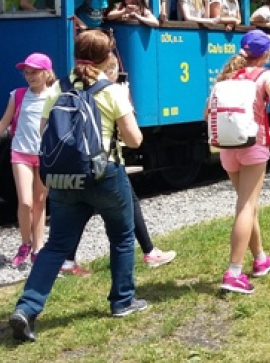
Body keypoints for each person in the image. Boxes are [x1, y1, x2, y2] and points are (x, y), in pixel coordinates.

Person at [9, 30, 147, 343]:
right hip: (105, 175)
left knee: (57, 245)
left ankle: (27, 308)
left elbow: (46, 134)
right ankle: (122, 301)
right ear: (106, 57)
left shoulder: (57, 88)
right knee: (122, 236)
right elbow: (134, 139)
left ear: (76, 55)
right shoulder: (111, 91)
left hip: (64, 180)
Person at [60, 54, 177, 276]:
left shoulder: (63, 88)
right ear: (111, 71)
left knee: (83, 209)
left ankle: (66, 261)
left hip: (72, 161)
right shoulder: (111, 91)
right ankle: (143, 263)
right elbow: (134, 140)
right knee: (123, 220)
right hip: (105, 162)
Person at [209, 30, 270, 294]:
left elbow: (207, 110)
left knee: (248, 205)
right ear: (265, 53)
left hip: (228, 147)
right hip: (253, 144)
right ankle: (233, 272)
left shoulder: (227, 75)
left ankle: (261, 259)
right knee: (245, 206)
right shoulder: (265, 76)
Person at [0, 53, 56, 267]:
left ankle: (38, 248)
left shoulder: (54, 96)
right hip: (20, 153)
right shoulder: (18, 95)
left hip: (44, 156)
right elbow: (4, 123)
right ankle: (25, 243)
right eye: (26, 72)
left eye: (34, 72)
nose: (29, 76)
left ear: (46, 73)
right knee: (25, 201)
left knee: (39, 202)